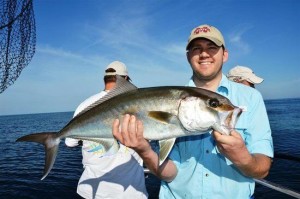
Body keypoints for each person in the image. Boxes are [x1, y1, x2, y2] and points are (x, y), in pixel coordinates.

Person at [112, 24, 273, 199]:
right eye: (197, 48)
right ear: (188, 56)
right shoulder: (173, 100)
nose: (204, 54)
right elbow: (170, 174)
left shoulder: (251, 97)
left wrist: (242, 157)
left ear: (225, 55)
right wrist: (144, 150)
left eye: (212, 47)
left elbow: (262, 170)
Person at [65, 61, 148, 199]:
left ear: (105, 79)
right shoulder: (139, 102)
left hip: (92, 193)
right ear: (125, 80)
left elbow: (70, 142)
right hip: (131, 193)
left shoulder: (84, 105)